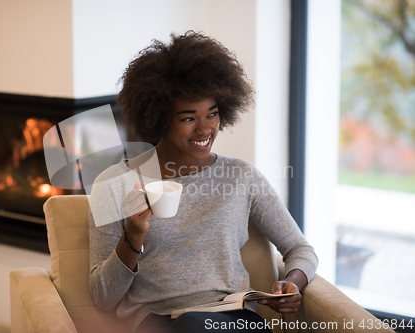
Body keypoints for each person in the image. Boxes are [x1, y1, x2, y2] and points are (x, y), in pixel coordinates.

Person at [88, 31, 318, 333]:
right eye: (188, 118)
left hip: (235, 321)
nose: (205, 129)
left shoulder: (241, 176)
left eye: (212, 114)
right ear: (159, 117)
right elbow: (102, 298)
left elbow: (301, 248)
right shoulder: (114, 184)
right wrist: (133, 235)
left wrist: (292, 282)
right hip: (159, 324)